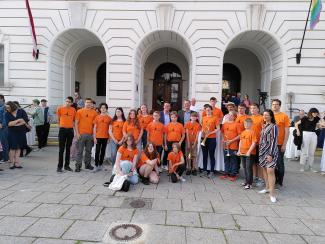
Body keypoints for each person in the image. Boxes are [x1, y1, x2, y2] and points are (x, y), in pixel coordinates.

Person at [258, 109, 279, 203]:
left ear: (271, 116)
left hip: (271, 152)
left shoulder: (274, 127)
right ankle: (267, 188)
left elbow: (274, 141)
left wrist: (270, 154)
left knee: (270, 170)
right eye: (264, 115)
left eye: (267, 115)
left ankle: (272, 194)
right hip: (262, 151)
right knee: (264, 169)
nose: (265, 116)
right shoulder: (264, 126)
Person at [75, 98, 98, 172]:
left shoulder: (94, 112)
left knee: (89, 151)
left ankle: (87, 165)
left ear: (91, 104)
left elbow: (95, 125)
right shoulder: (79, 111)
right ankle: (78, 166)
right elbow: (76, 123)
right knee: (79, 151)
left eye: (89, 103)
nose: (88, 104)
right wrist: (77, 133)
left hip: (90, 135)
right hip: (81, 134)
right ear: (84, 103)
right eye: (87, 102)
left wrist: (94, 136)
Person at [5, 101, 29, 169]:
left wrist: (15, 123)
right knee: (12, 148)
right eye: (6, 108)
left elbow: (25, 121)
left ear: (12, 106)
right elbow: (9, 124)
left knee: (18, 148)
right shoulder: (7, 114)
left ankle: (17, 162)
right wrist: (18, 120)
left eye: (8, 107)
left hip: (21, 132)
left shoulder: (21, 111)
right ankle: (11, 163)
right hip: (12, 133)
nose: (7, 109)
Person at [295, 108, 321, 172]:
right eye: (314, 113)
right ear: (311, 113)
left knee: (312, 152)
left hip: (313, 135)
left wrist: (320, 118)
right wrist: (298, 131)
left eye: (316, 113)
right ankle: (302, 167)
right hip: (305, 134)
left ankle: (311, 167)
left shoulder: (317, 118)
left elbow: (322, 122)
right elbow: (296, 124)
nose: (315, 114)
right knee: (304, 151)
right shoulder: (305, 118)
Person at [271, 99, 290, 187]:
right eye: (273, 104)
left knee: (279, 163)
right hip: (270, 144)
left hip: (279, 144)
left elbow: (287, 131)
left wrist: (284, 144)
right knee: (271, 163)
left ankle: (280, 182)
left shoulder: (284, 116)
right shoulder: (269, 115)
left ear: (279, 106)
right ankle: (273, 181)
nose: (275, 106)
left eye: (277, 104)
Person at [56, 96, 76, 172]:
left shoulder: (73, 110)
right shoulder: (60, 108)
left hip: (70, 130)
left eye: (69, 102)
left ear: (71, 103)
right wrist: (61, 126)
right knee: (61, 149)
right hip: (62, 130)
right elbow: (58, 119)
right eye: (66, 101)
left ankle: (67, 166)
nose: (67, 103)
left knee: (68, 149)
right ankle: (59, 167)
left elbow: (74, 120)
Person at [220, 111, 240, 181]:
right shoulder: (224, 124)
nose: (229, 116)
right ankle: (226, 173)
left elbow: (239, 135)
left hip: (233, 145)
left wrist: (231, 141)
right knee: (226, 159)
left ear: (234, 117)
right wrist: (223, 139)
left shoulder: (237, 124)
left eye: (231, 115)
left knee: (233, 160)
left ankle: (233, 174)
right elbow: (222, 133)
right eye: (228, 114)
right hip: (225, 145)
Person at [201, 104, 220, 178]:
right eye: (206, 110)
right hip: (204, 138)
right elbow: (202, 128)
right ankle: (204, 170)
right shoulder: (203, 118)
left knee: (211, 155)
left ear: (211, 110)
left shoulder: (215, 118)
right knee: (204, 155)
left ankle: (212, 171)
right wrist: (203, 133)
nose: (207, 111)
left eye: (209, 110)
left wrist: (210, 133)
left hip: (212, 138)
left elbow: (218, 128)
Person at [237, 118, 257, 189]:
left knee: (249, 168)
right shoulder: (243, 132)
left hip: (250, 154)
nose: (246, 125)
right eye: (245, 124)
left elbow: (254, 143)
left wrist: (249, 151)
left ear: (251, 124)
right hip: (242, 152)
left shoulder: (253, 132)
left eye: (248, 124)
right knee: (245, 167)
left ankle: (249, 183)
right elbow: (240, 142)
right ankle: (246, 181)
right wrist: (239, 150)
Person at [93, 103, 112, 172]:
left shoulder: (109, 118)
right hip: (98, 137)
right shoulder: (97, 117)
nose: (103, 109)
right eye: (102, 108)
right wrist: (94, 137)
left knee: (103, 151)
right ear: (100, 109)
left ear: (106, 109)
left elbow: (110, 129)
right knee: (97, 151)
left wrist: (109, 137)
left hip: (105, 137)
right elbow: (94, 128)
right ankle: (96, 165)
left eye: (104, 108)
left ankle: (101, 165)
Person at [250, 103, 264, 186]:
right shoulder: (249, 118)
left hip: (259, 143)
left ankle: (261, 179)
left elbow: (263, 130)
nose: (252, 110)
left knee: (259, 163)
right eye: (251, 108)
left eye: (254, 108)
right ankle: (255, 177)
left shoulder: (262, 118)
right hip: (251, 144)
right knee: (253, 162)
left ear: (258, 109)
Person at [159, 102, 171, 168]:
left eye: (168, 106)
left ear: (170, 107)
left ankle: (164, 164)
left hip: (168, 134)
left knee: (167, 149)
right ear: (163, 106)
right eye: (165, 106)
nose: (166, 107)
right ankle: (159, 164)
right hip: (160, 134)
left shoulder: (171, 114)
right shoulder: (160, 114)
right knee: (160, 149)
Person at [0, 94, 9, 163]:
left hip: (3, 127)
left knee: (4, 142)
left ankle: (5, 157)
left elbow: (5, 117)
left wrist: (2, 124)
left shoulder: (5, 107)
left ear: (2, 99)